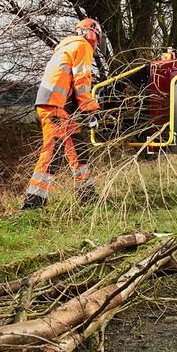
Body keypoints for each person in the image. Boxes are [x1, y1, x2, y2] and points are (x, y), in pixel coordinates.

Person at [21, 18, 103, 209]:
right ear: (91, 33)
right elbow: (82, 84)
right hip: (55, 107)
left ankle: (87, 196)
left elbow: (72, 83)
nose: (97, 43)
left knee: (79, 149)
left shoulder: (67, 46)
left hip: (60, 108)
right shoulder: (82, 46)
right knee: (53, 154)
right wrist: (92, 110)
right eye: (97, 38)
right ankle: (33, 204)